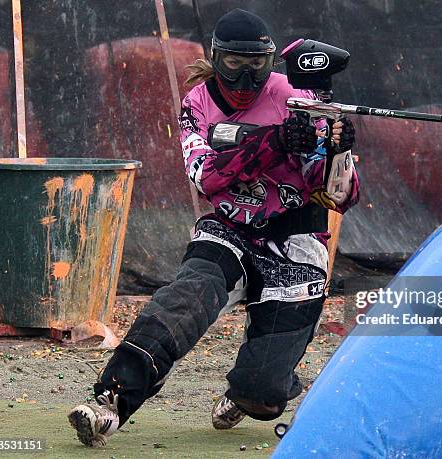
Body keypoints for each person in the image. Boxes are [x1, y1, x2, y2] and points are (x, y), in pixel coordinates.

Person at [68, 8, 359, 447]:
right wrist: (273, 141)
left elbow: (342, 196)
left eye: (257, 66)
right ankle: (110, 402)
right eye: (234, 66)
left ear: (270, 62)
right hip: (229, 229)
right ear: (215, 58)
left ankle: (249, 394)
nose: (245, 80)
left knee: (262, 393)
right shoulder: (197, 103)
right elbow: (206, 175)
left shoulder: (295, 94)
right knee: (185, 299)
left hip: (297, 241)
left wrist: (334, 151)